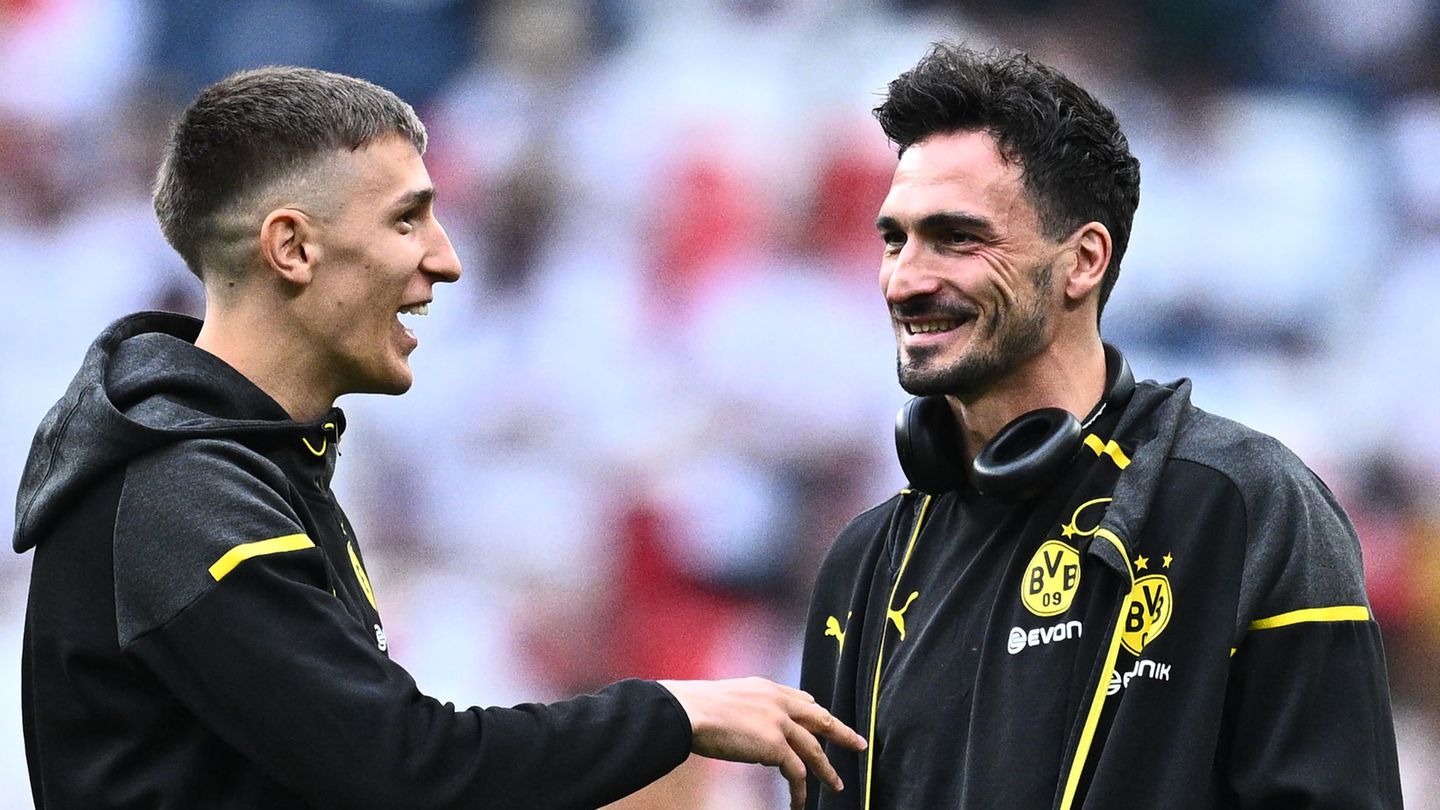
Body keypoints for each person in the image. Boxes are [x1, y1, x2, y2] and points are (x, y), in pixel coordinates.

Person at [14, 66, 864, 810]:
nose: (446, 260)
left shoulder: (238, 466)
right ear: (293, 248)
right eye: (406, 222)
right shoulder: (186, 494)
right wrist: (674, 713)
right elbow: (402, 769)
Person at [799, 44, 1401, 809]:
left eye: (957, 238)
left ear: (1084, 261)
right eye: (896, 239)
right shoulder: (861, 566)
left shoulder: (1246, 505)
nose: (906, 279)